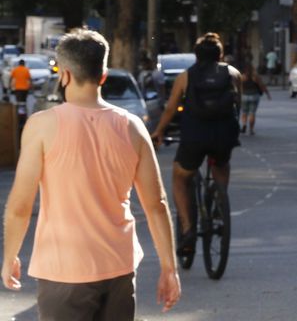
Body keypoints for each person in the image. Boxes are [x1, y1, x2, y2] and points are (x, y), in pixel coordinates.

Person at [2, 28, 181, 317]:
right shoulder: (132, 126)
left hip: (63, 269)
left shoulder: (42, 126)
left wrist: (10, 256)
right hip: (119, 268)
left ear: (65, 75)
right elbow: (156, 205)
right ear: (103, 76)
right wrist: (169, 268)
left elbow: (20, 206)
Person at [151, 33, 241, 259]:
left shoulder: (186, 77)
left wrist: (159, 131)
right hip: (224, 135)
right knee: (221, 163)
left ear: (196, 56)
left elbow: (171, 109)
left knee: (181, 177)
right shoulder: (233, 74)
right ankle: (219, 202)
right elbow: (237, 104)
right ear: (220, 55)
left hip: (195, 136)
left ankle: (188, 230)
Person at [237, 59, 271, 135]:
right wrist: (268, 94)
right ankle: (251, 130)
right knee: (252, 113)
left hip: (244, 96)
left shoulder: (242, 77)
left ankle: (244, 125)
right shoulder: (255, 77)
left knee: (244, 112)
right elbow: (262, 86)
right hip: (254, 96)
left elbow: (239, 88)